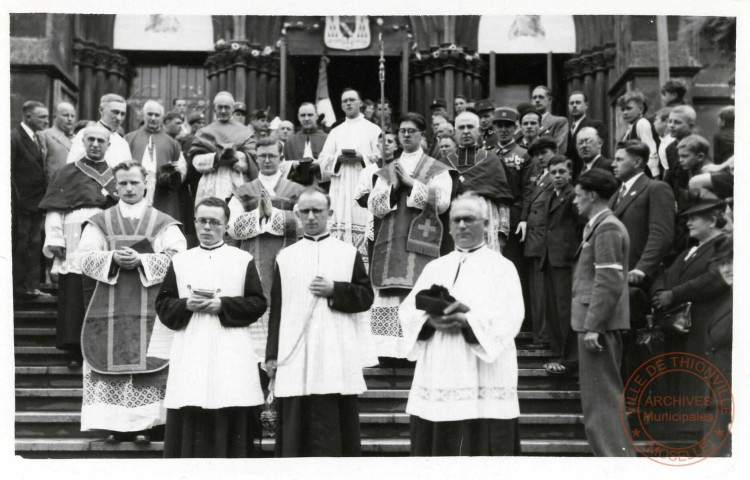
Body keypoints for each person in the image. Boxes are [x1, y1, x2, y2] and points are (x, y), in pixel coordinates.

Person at [399, 192, 525, 456]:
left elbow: (511, 316)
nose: (462, 226)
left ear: (486, 224)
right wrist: (429, 320)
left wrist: (467, 321)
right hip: (438, 372)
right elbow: (407, 310)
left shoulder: (502, 267)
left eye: (469, 219)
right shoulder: (435, 267)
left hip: (483, 376)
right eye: (456, 220)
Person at [77, 161, 186, 444]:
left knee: (149, 361)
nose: (128, 188)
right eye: (122, 183)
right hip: (109, 305)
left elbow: (180, 257)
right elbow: (83, 257)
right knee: (110, 358)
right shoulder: (100, 221)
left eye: (134, 182)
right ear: (114, 185)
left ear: (145, 183)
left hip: (151, 305)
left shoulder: (162, 222)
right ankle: (114, 426)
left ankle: (146, 426)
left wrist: (143, 260)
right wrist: (112, 258)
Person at [266, 187, 377, 457]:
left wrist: (335, 290)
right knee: (296, 429)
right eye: (305, 211)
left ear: (330, 213)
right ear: (297, 214)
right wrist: (271, 355)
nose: (312, 217)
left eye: (318, 211)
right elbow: (277, 310)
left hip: (334, 350)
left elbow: (365, 297)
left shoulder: (348, 253)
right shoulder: (285, 256)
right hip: (296, 354)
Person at [155, 197, 268, 458]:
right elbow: (163, 305)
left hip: (229, 346)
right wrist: (186, 305)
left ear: (226, 226)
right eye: (202, 221)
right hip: (191, 346)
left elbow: (257, 303)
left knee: (228, 401)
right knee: (191, 404)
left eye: (214, 222)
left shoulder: (242, 259)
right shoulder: (181, 261)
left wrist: (223, 305)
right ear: (194, 223)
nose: (207, 227)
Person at [367, 113, 455, 360]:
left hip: (421, 241)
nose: (406, 135)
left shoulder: (436, 168)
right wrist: (395, 187)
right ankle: (386, 350)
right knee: (390, 292)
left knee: (418, 290)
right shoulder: (387, 170)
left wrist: (411, 183)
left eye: (411, 131)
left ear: (422, 135)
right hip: (391, 240)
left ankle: (416, 349)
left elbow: (443, 202)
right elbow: (375, 206)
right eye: (402, 131)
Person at [651, 193, 731, 442]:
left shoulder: (725, 245)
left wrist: (673, 294)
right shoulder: (691, 250)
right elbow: (665, 274)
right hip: (683, 327)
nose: (688, 223)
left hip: (708, 323)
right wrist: (659, 292)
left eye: (694, 218)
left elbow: (713, 279)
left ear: (713, 220)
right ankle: (684, 432)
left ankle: (694, 434)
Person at [40, 125, 120, 367]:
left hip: (103, 236)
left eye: (101, 140)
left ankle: (97, 346)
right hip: (73, 233)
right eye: (91, 140)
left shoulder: (116, 174)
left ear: (108, 145)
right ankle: (74, 348)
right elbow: (55, 207)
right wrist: (55, 238)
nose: (95, 144)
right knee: (74, 290)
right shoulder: (67, 172)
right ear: (83, 142)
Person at [571, 168, 635, 457]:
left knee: (603, 400)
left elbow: (608, 281)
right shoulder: (600, 225)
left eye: (578, 195)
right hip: (595, 324)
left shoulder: (607, 227)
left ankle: (616, 463)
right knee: (599, 400)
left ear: (592, 195)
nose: (575, 201)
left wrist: (594, 325)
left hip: (598, 327)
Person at [226, 136, 304, 362]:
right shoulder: (244, 191)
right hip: (254, 259)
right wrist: (257, 215)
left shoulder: (296, 190)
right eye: (262, 156)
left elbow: (305, 224)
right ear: (256, 158)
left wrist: (274, 214)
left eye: (272, 155)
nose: (267, 160)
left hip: (288, 259)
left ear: (282, 157)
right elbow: (231, 228)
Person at [319, 88, 382, 264]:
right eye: (345, 100)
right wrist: (338, 159)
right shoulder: (335, 131)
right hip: (340, 187)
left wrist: (362, 158)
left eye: (352, 100)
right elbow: (323, 160)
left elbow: (382, 158)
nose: (348, 103)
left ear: (360, 103)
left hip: (362, 185)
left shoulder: (372, 129)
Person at [537, 157, 584, 375]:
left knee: (565, 310)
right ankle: (558, 354)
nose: (557, 176)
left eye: (561, 171)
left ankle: (570, 358)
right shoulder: (551, 195)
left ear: (570, 173)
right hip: (550, 258)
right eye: (553, 172)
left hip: (565, 259)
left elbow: (579, 228)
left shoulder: (573, 196)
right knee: (553, 309)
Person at [442, 112, 513, 253]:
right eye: (461, 128)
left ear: (479, 131)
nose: (466, 131)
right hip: (455, 220)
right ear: (455, 133)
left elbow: (503, 199)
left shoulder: (491, 159)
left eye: (470, 127)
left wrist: (502, 231)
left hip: (486, 219)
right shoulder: (444, 162)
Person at [610, 141, 675, 290]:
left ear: (637, 162)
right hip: (615, 276)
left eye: (619, 159)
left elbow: (661, 234)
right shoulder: (615, 195)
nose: (613, 164)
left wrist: (643, 267)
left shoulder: (656, 189)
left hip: (639, 278)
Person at [519, 137, 557, 350]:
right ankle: (540, 336)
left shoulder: (554, 177)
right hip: (535, 243)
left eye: (545, 153)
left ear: (554, 151)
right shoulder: (541, 177)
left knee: (543, 293)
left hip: (544, 244)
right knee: (537, 293)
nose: (540, 158)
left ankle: (544, 338)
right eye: (537, 154)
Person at [189, 91, 257, 205]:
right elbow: (196, 161)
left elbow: (252, 159)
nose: (223, 111)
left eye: (227, 107)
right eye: (220, 107)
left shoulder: (244, 131)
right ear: (214, 109)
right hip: (210, 183)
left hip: (237, 181)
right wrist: (215, 158)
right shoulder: (204, 132)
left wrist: (235, 156)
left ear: (232, 109)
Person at [12, 100, 50, 299]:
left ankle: (31, 286)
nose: (46, 120)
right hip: (22, 205)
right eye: (42, 117)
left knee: (34, 245)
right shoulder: (14, 137)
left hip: (36, 204)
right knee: (23, 246)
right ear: (28, 117)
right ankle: (21, 289)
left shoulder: (38, 138)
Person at [125, 100, 187, 220]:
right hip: (133, 191)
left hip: (162, 196)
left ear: (162, 117)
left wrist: (172, 175)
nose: (153, 118)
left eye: (157, 115)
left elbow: (180, 171)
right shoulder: (129, 138)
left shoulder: (173, 143)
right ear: (144, 115)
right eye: (150, 114)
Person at [663, 106, 697, 251]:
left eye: (677, 122)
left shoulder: (696, 144)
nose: (671, 125)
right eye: (669, 121)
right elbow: (670, 177)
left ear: (690, 126)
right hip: (678, 207)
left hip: (693, 204)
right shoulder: (670, 148)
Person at [66, 94, 132, 167]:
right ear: (101, 110)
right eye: (115, 112)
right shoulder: (86, 134)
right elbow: (72, 167)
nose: (119, 118)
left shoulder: (123, 143)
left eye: (123, 114)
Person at [283, 103, 329, 188]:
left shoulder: (328, 138)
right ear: (298, 117)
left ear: (316, 116)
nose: (306, 118)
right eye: (303, 115)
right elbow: (282, 167)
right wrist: (294, 164)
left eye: (310, 115)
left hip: (321, 186)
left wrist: (320, 164)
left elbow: (333, 164)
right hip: (296, 186)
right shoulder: (290, 141)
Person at [618, 90, 660, 178]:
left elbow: (651, 150)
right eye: (623, 109)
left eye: (629, 108)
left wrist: (655, 175)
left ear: (641, 109)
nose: (625, 112)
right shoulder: (630, 128)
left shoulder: (642, 123)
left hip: (647, 173)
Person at [566, 91, 607, 175]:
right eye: (571, 103)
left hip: (590, 173)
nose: (574, 105)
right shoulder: (568, 130)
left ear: (586, 105)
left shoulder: (595, 125)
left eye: (578, 102)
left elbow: (600, 152)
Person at [40, 101, 76, 182]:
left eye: (72, 116)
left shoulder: (78, 139)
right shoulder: (45, 135)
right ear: (55, 116)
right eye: (65, 115)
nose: (70, 119)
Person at [531, 86, 569, 154]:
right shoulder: (525, 123)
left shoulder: (559, 122)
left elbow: (559, 149)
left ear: (550, 100)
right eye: (534, 97)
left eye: (541, 97)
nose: (537, 100)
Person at [653, 107, 674, 175]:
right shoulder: (663, 140)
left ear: (666, 122)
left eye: (656, 120)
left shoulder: (671, 142)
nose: (654, 123)